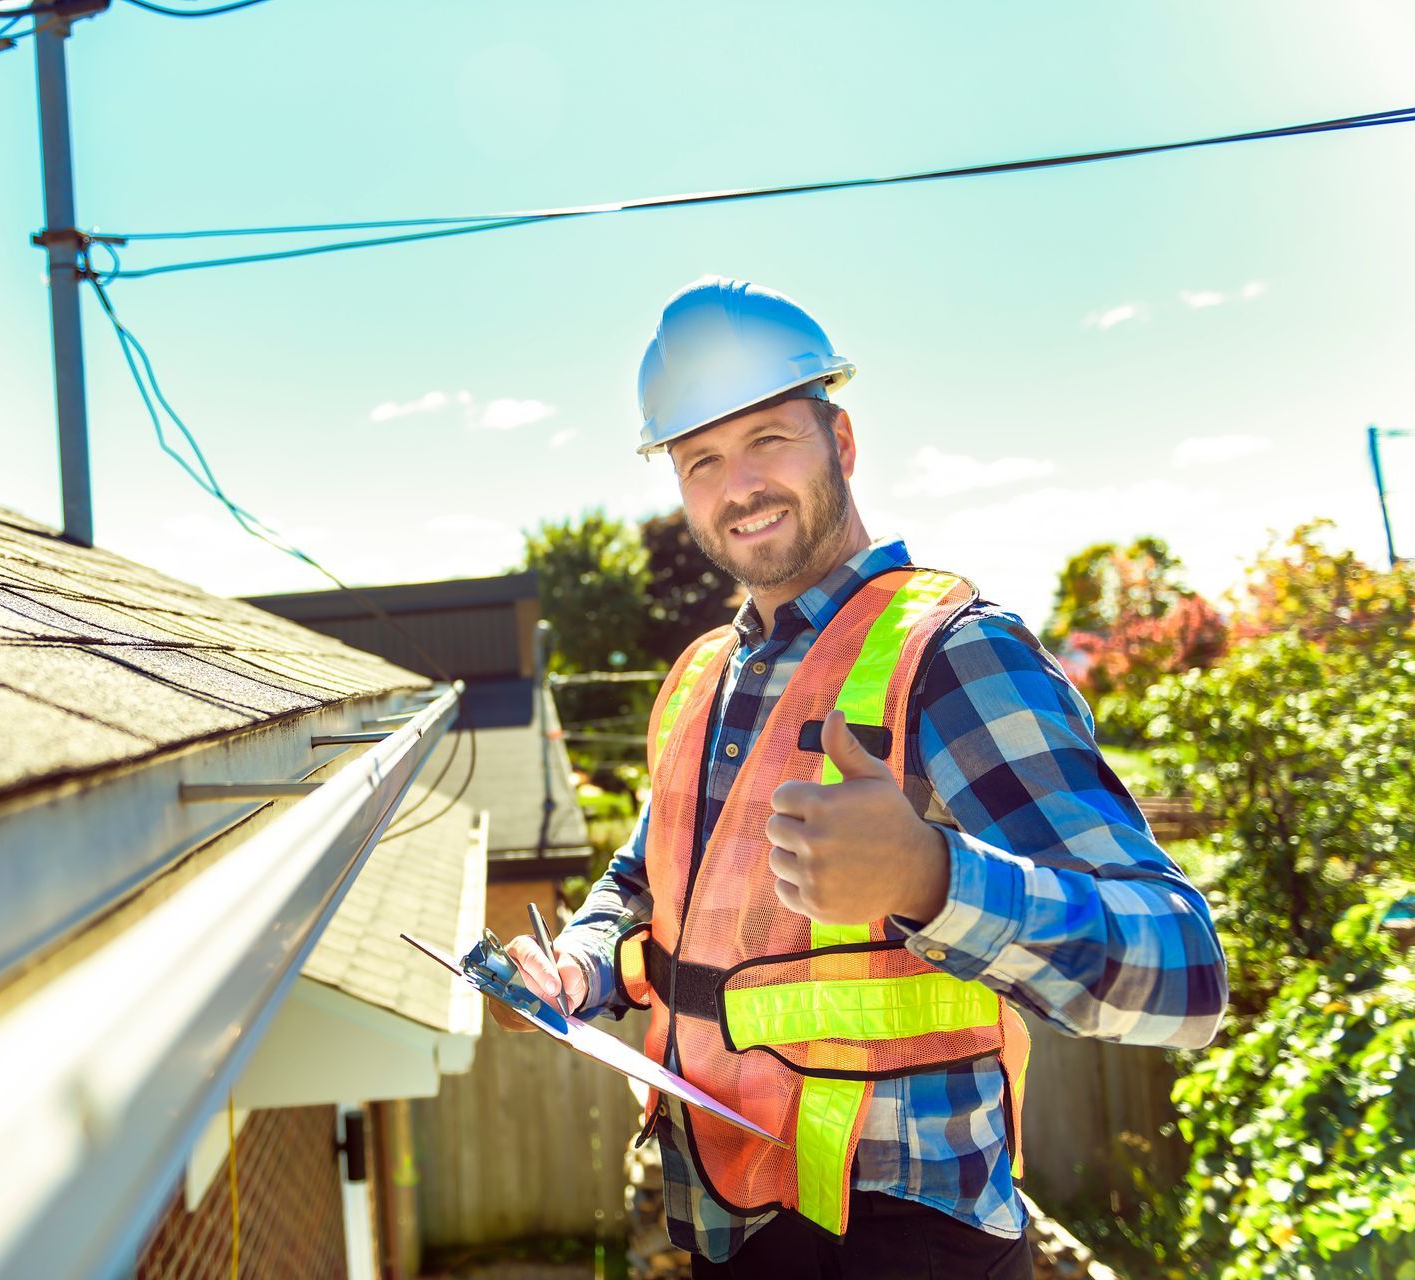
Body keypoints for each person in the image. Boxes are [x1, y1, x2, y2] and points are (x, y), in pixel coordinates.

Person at [489, 277, 1227, 1278]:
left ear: (840, 442)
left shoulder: (954, 653)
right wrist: (571, 968)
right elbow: (642, 885)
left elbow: (1183, 971)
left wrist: (932, 879)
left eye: (768, 440)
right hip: (724, 1221)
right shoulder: (704, 676)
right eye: (701, 457)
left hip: (903, 1240)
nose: (737, 483)